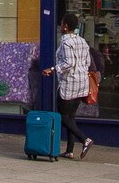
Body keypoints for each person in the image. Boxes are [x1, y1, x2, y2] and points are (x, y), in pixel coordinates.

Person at [42, 12, 99, 159]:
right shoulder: (82, 41)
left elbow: (69, 63)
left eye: (62, 23)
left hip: (70, 83)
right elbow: (87, 62)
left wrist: (53, 69)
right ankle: (70, 150)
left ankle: (85, 139)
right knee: (71, 117)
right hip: (82, 84)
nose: (61, 26)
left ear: (66, 26)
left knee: (63, 116)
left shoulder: (66, 42)